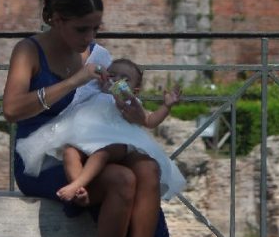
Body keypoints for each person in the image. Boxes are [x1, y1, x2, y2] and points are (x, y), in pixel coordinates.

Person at [2, 0, 166, 237]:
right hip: (39, 156)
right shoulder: (29, 50)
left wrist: (121, 100)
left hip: (88, 143)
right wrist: (73, 82)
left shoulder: (99, 56)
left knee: (149, 169)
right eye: (81, 29)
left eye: (95, 28)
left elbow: (104, 113)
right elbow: (11, 109)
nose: (90, 38)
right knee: (123, 179)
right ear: (57, 20)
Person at [16, 53, 186, 206]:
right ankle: (79, 191)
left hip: (113, 141)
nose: (117, 80)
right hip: (85, 136)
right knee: (69, 153)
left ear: (135, 90)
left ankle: (77, 183)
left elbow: (149, 121)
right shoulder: (94, 95)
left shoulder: (130, 102)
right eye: (112, 75)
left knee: (101, 154)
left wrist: (166, 106)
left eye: (125, 79)